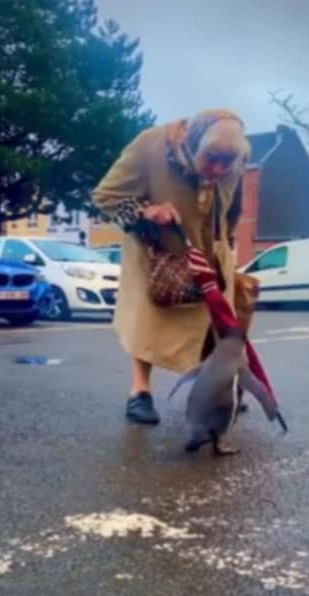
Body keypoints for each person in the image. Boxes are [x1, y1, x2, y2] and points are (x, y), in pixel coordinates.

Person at [92, 109, 250, 425]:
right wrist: (147, 210)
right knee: (148, 324)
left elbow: (234, 204)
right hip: (157, 255)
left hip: (210, 253)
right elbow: (104, 197)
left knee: (215, 325)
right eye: (212, 158)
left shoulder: (238, 159)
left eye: (227, 161)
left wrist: (228, 241)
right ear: (193, 143)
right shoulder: (151, 145)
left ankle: (216, 389)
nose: (219, 168)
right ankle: (139, 392)